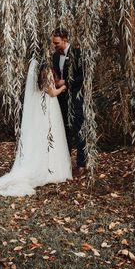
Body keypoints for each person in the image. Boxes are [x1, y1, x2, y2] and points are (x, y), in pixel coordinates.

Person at [0, 57, 72, 196]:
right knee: (52, 137)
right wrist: (62, 87)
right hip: (50, 108)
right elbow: (51, 93)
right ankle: (52, 169)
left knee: (42, 138)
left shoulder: (35, 71)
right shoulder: (45, 70)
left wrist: (56, 82)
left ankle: (44, 164)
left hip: (40, 109)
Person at [51, 27, 87, 176]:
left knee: (78, 130)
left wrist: (65, 83)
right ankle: (65, 163)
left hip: (76, 99)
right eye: (53, 42)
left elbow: (83, 77)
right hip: (61, 100)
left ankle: (81, 164)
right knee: (64, 131)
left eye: (57, 43)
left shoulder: (78, 54)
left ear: (65, 40)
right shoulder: (55, 56)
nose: (54, 45)